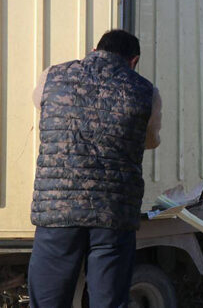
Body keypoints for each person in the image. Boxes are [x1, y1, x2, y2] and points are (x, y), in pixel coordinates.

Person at [28, 29, 162, 308]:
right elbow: (150, 140)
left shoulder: (51, 76)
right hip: (112, 213)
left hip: (58, 209)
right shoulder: (146, 91)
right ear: (133, 60)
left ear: (93, 50)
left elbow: (44, 112)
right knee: (108, 302)